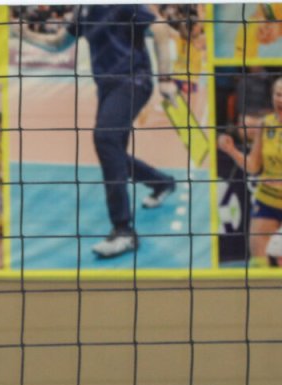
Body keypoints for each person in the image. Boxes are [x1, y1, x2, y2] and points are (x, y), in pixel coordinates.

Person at [20, 5, 178, 258]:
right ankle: (161, 183)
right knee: (112, 150)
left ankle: (123, 231)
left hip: (133, 80)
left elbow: (160, 29)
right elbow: (58, 43)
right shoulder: (83, 10)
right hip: (106, 88)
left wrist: (166, 79)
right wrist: (23, 34)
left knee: (105, 138)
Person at [218, 77, 282, 267]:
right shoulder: (266, 124)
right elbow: (253, 166)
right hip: (266, 200)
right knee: (258, 264)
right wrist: (231, 150)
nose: (280, 99)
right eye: (278, 94)